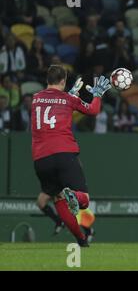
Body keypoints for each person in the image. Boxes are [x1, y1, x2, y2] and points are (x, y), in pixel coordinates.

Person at [31, 65, 111, 247]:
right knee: (83, 200)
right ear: (64, 80)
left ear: (47, 80)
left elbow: (53, 107)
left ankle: (81, 240)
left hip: (40, 159)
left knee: (57, 199)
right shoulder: (68, 99)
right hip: (64, 153)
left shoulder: (35, 99)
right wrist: (97, 94)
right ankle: (73, 196)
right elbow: (93, 110)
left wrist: (71, 96)